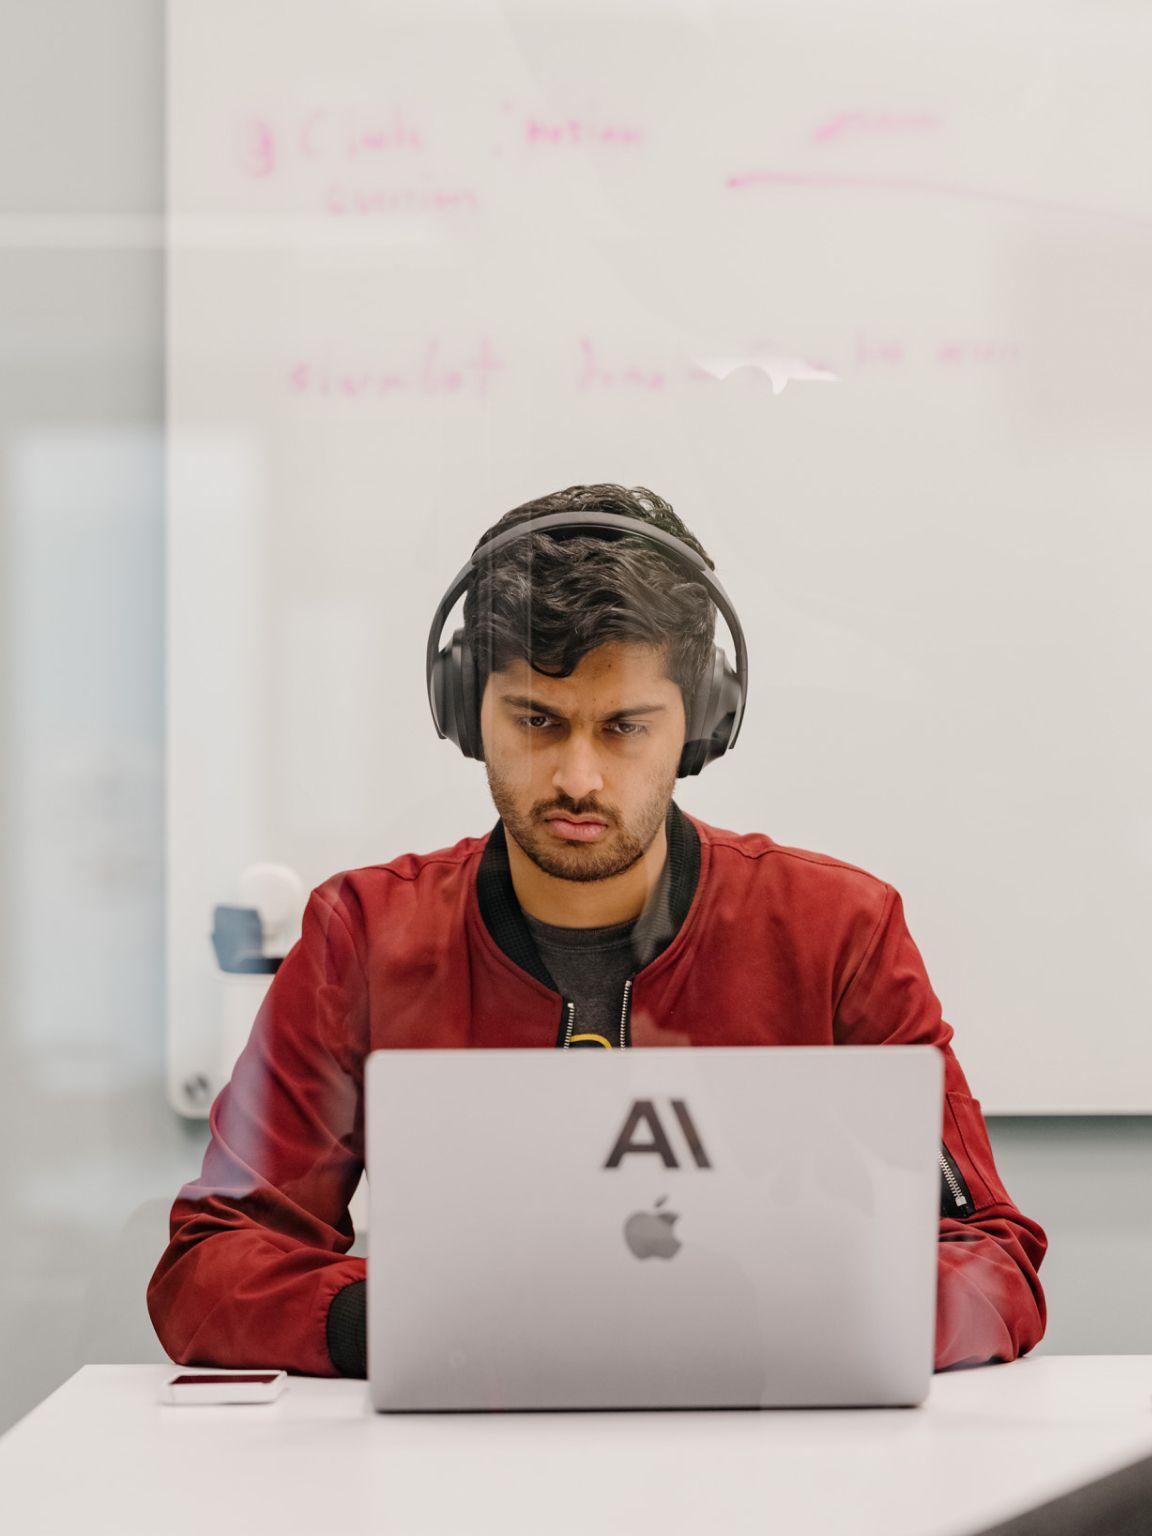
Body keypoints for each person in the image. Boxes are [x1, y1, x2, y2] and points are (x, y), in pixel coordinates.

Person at [147, 482, 1047, 1379]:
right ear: (466, 712)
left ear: (702, 725)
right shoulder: (363, 939)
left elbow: (991, 1261)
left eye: (625, 728)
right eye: (537, 720)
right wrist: (406, 1323)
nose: (578, 777)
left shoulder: (838, 932)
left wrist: (766, 1318)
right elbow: (210, 1266)